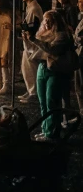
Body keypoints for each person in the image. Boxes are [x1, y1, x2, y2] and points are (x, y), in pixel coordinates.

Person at [23, 10, 76, 141]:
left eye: (49, 20)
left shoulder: (62, 35)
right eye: (45, 20)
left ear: (56, 21)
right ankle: (46, 129)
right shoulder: (43, 34)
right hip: (42, 67)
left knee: (52, 101)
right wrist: (27, 40)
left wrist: (34, 40)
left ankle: (53, 133)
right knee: (43, 102)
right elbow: (32, 50)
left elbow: (52, 50)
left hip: (55, 70)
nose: (46, 22)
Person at [19, 0, 43, 102]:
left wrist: (27, 34)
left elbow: (33, 26)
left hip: (31, 44)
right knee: (25, 67)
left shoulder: (34, 9)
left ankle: (34, 92)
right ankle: (30, 89)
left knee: (31, 68)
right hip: (28, 43)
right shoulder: (30, 8)